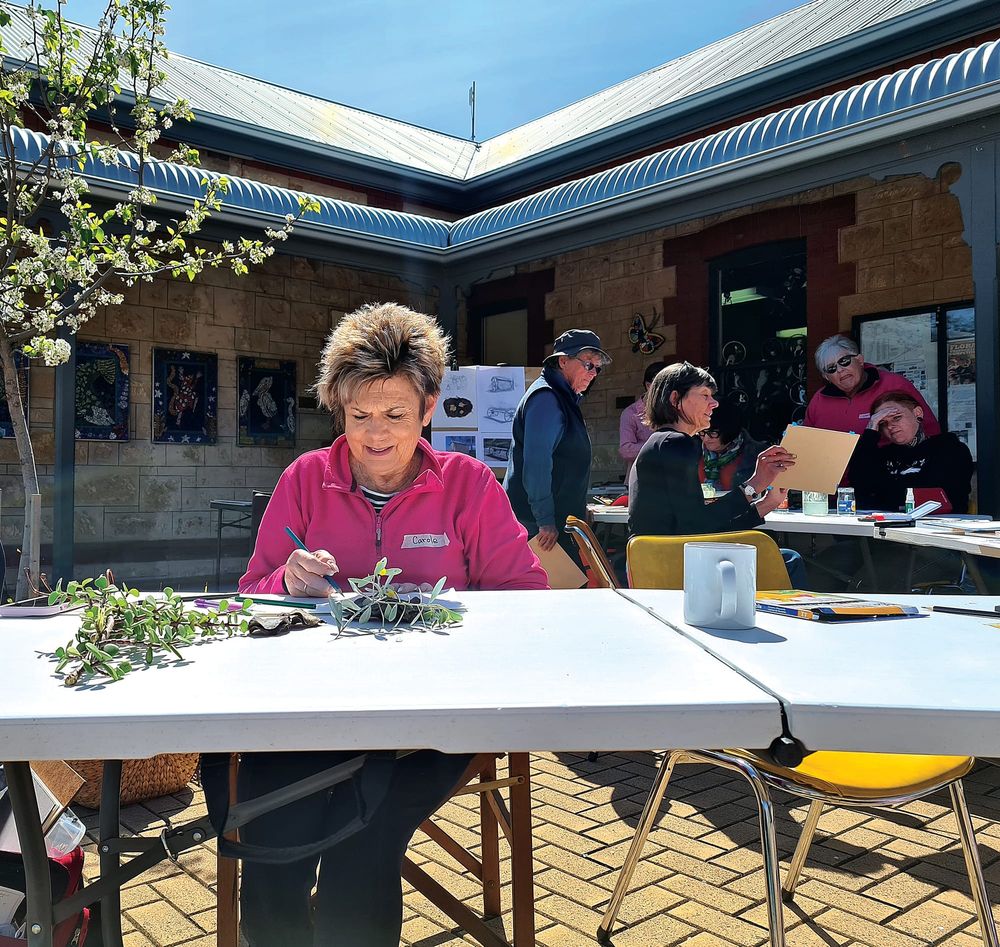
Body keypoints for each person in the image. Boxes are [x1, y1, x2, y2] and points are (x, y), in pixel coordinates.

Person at [238, 302, 547, 946]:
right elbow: (251, 597)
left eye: (396, 415)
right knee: (271, 828)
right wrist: (286, 583)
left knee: (362, 835)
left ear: (429, 407)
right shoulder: (305, 480)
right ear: (339, 410)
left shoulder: (467, 485)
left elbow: (525, 598)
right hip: (314, 706)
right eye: (360, 416)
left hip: (435, 715)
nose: (376, 435)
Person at [629, 361, 806, 585]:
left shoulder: (662, 442)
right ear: (675, 399)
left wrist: (766, 504)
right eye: (705, 395)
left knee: (787, 558)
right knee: (788, 561)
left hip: (659, 562)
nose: (714, 403)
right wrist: (753, 485)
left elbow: (696, 524)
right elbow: (697, 527)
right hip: (676, 567)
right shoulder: (676, 443)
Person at [505, 328, 610, 565]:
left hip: (550, 524)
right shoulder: (546, 398)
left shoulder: (560, 398)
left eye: (597, 367)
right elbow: (537, 465)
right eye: (588, 364)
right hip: (540, 529)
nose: (593, 373)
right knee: (554, 587)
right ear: (563, 361)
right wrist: (545, 520)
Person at [848, 391, 973, 513]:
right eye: (882, 423)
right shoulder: (882, 454)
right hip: (887, 524)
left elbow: (928, 496)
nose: (890, 426)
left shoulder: (950, 449)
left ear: (917, 413)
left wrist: (880, 490)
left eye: (897, 418)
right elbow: (858, 488)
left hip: (939, 524)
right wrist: (870, 431)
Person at [804, 334, 940, 436]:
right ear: (826, 377)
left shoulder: (894, 385)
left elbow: (929, 429)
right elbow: (807, 443)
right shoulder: (819, 401)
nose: (840, 370)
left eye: (844, 361)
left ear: (860, 360)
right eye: (831, 368)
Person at [699, 400, 768, 493]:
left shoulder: (761, 455)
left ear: (729, 430)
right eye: (702, 432)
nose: (706, 438)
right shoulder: (689, 449)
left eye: (713, 433)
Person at [619, 361, 661, 475]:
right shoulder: (631, 413)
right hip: (642, 477)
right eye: (663, 386)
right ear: (648, 386)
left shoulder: (674, 409)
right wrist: (658, 447)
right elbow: (626, 450)